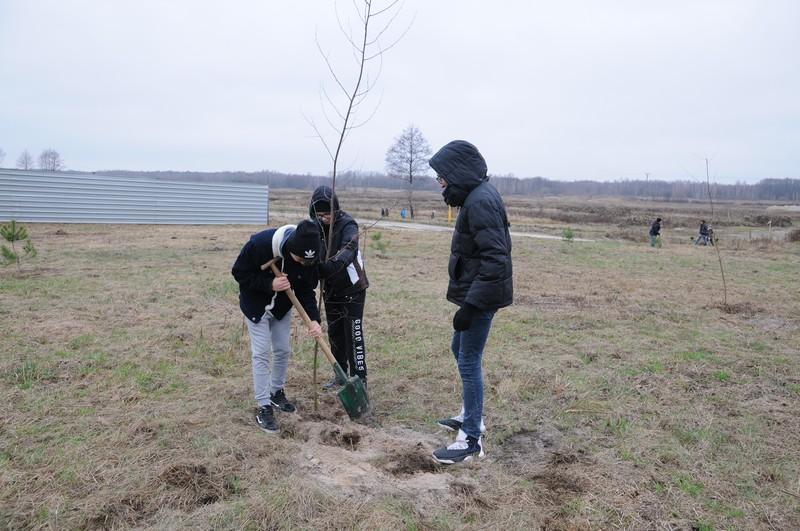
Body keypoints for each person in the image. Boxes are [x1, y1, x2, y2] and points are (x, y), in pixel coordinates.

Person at [428, 140, 513, 464]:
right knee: (459, 348)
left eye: (442, 177)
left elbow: (496, 260)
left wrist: (472, 306)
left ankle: (471, 440)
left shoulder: (480, 202)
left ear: (457, 173)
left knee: (468, 360)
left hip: (482, 295)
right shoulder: (476, 197)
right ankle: (470, 414)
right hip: (478, 291)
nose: (440, 184)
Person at [231, 220, 323, 434]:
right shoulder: (259, 244)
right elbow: (239, 273)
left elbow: (306, 290)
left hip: (281, 307)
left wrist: (314, 319)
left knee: (282, 350)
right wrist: (269, 284)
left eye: (307, 261)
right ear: (289, 248)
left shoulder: (309, 258)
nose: (303, 264)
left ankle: (276, 393)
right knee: (261, 353)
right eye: (299, 259)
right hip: (256, 306)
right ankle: (263, 405)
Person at [308, 186, 370, 389]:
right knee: (335, 334)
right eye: (319, 215)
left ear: (335, 209)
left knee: (353, 335)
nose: (323, 218)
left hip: (352, 289)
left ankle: (359, 379)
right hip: (330, 290)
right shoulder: (315, 227)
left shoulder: (348, 224)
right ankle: (340, 375)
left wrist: (330, 266)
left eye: (327, 214)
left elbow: (349, 249)